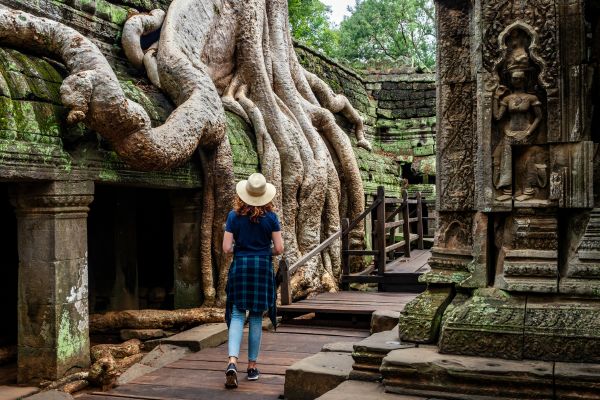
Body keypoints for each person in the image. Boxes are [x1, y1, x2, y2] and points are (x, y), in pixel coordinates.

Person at [222, 173, 284, 389]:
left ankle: (231, 362)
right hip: (262, 267)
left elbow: (226, 248)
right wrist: (262, 251)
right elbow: (279, 249)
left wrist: (242, 249)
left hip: (240, 266)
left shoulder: (233, 216)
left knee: (238, 313)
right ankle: (251, 367)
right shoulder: (271, 218)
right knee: (256, 316)